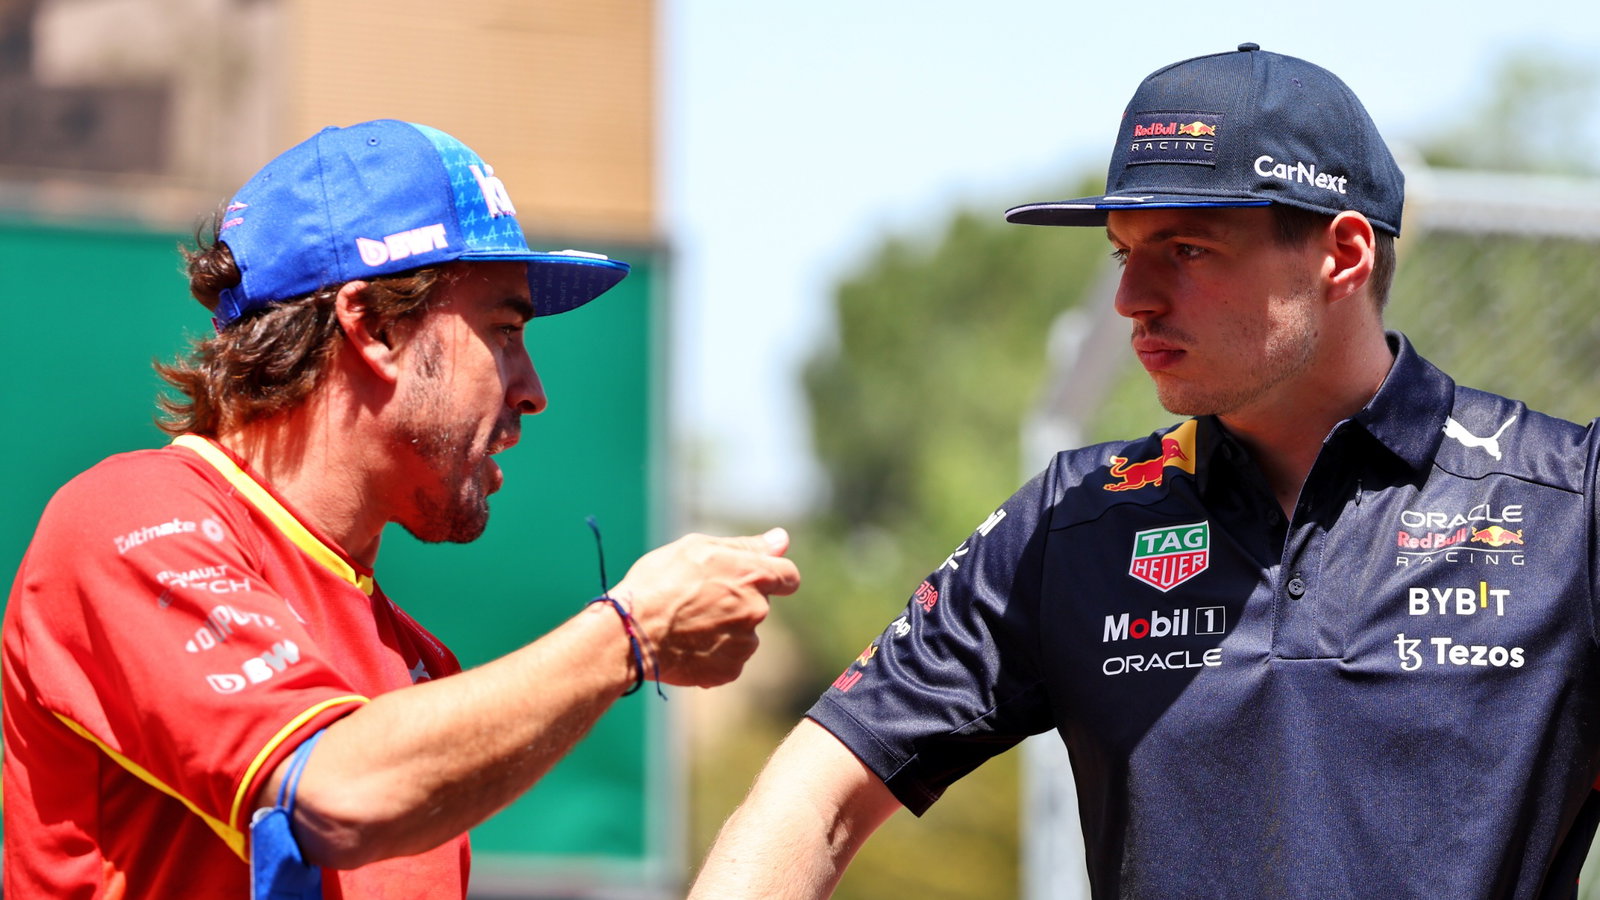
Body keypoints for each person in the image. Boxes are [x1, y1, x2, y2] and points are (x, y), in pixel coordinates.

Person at [691, 44, 1600, 899]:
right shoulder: (1072, 520)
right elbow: (813, 797)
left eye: (1187, 250)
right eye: (1126, 252)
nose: (1131, 298)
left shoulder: (1569, 506)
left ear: (1344, 254)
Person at [2, 119, 801, 898]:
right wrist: (631, 631)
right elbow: (332, 795)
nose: (533, 389)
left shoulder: (416, 665)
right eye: (504, 330)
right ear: (376, 327)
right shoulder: (127, 517)